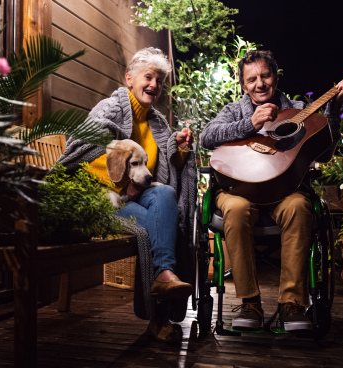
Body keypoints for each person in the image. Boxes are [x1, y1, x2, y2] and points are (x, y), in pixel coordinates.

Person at [200, 50, 343, 332]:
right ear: (243, 86)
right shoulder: (234, 110)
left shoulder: (298, 109)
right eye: (252, 79)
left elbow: (326, 151)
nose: (260, 83)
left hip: (284, 191)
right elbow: (207, 137)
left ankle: (292, 304)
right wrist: (251, 124)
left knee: (299, 207)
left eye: (265, 75)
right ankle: (250, 303)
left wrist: (335, 108)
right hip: (238, 189)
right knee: (235, 209)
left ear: (276, 77)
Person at [55, 47, 198, 342]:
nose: (154, 85)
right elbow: (81, 152)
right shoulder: (109, 109)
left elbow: (165, 172)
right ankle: (161, 308)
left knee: (166, 194)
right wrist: (121, 185)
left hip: (142, 195)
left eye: (159, 80)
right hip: (104, 198)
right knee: (159, 228)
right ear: (129, 78)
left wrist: (180, 150)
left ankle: (163, 278)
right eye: (149, 77)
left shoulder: (158, 122)